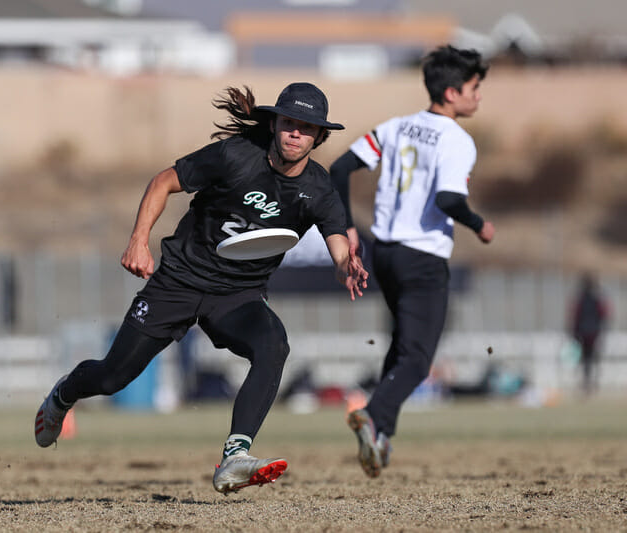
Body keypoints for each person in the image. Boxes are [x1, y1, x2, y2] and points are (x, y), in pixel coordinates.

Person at [35, 82, 368, 493]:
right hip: (179, 279)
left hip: (238, 294)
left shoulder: (319, 188)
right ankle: (62, 395)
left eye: (306, 127)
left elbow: (336, 240)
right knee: (112, 378)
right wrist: (138, 240)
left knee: (274, 345)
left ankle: (235, 456)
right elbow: (162, 182)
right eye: (288, 123)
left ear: (320, 136)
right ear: (275, 123)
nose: (295, 133)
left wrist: (344, 265)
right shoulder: (234, 155)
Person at [329, 45, 495, 478]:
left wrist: (348, 227)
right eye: (476, 88)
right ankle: (372, 415)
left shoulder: (397, 127)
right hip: (422, 257)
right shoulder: (457, 140)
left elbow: (340, 168)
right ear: (454, 92)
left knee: (404, 345)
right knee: (419, 359)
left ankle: (381, 435)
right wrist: (478, 224)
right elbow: (448, 199)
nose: (479, 96)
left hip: (384, 253)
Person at [568, 273, 609, 396]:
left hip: (582, 332)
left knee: (585, 358)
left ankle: (586, 382)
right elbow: (604, 315)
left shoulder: (580, 299)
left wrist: (573, 331)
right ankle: (591, 383)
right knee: (591, 358)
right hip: (594, 332)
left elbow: (575, 316)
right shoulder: (597, 299)